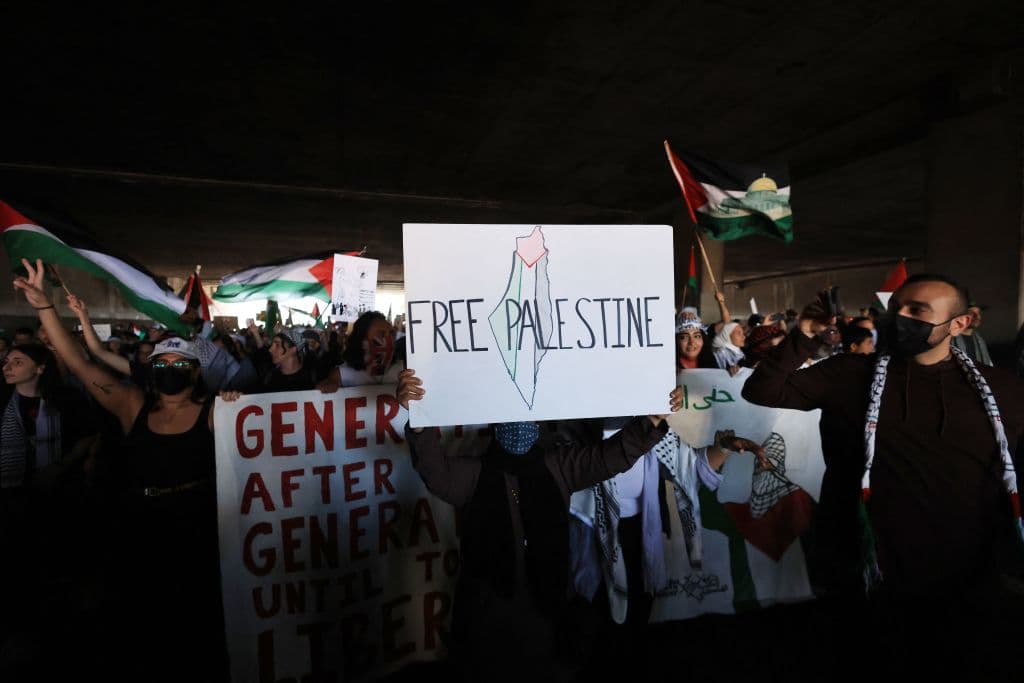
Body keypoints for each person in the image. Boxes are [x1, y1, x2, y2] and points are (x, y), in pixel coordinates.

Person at [741, 273, 1024, 673]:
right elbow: (762, 390)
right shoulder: (848, 373)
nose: (899, 317)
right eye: (896, 308)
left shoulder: (1002, 389)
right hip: (867, 570)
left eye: (916, 311)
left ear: (960, 323)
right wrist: (804, 334)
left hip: (967, 574)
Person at [12, 258, 232, 680]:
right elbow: (81, 364)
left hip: (196, 530)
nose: (170, 371)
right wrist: (44, 306)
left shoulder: (215, 414)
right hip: (140, 527)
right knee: (140, 618)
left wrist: (240, 404)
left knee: (194, 620)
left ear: (196, 372)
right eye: (162, 365)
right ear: (151, 371)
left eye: (179, 365)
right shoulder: (133, 405)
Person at [396, 368, 682, 682]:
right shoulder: (474, 474)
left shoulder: (558, 465)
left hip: (550, 620)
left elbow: (608, 458)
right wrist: (419, 420)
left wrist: (652, 421)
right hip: (490, 626)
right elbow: (435, 472)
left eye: (527, 417)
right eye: (509, 417)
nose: (519, 426)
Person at [319, 311, 401, 390]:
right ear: (362, 338)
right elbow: (321, 394)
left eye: (391, 333)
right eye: (381, 333)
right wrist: (327, 387)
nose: (389, 339)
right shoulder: (342, 375)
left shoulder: (403, 370)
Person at [951, 299, 993, 367]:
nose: (977, 316)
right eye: (971, 313)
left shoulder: (979, 340)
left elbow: (988, 364)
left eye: (979, 313)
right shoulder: (949, 340)